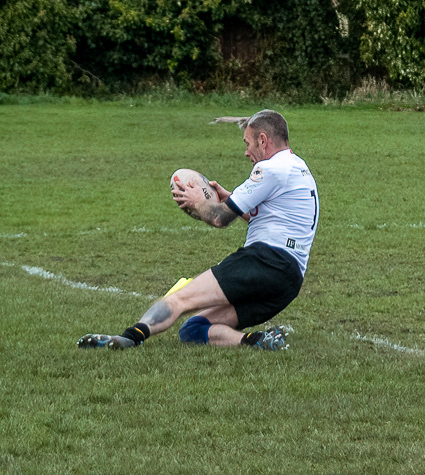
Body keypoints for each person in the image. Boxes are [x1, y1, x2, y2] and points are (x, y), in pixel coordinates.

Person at [78, 109, 319, 351]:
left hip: (264, 262)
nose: (246, 152)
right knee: (193, 329)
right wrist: (230, 198)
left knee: (181, 298)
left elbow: (219, 218)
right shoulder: (298, 167)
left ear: (263, 140)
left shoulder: (269, 169)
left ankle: (130, 337)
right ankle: (257, 341)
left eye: (248, 143)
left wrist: (197, 201)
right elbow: (270, 218)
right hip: (288, 280)